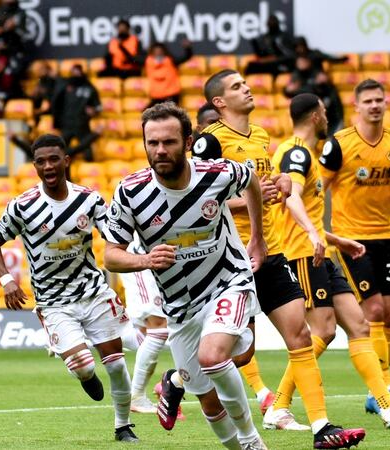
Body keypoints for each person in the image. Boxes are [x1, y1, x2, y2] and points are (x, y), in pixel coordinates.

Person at [193, 72, 366, 447]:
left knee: (301, 334)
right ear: (219, 102)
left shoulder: (260, 136)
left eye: (245, 83)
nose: (247, 88)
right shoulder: (209, 143)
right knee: (240, 353)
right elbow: (202, 202)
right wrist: (253, 198)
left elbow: (268, 187)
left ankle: (322, 428)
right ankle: (176, 380)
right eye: (237, 87)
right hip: (229, 260)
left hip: (269, 252)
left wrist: (281, 185)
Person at [102, 102, 268, 449]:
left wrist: (257, 238)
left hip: (228, 281)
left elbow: (251, 180)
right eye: (153, 143)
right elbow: (111, 256)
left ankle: (252, 442)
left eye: (169, 142)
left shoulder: (217, 174)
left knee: (213, 357)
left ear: (188, 141)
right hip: (179, 304)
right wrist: (146, 259)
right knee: (207, 397)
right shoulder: (131, 192)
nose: (160, 150)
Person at [273, 92, 390, 429]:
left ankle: (389, 405)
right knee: (321, 330)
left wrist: (334, 239)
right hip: (303, 253)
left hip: (321, 252)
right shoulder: (297, 153)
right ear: (316, 115)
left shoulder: (303, 153)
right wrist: (316, 236)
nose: (327, 115)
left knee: (359, 325)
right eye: (324, 111)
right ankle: (280, 405)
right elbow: (293, 200)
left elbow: (302, 209)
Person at [0, 134, 138, 443]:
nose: (48, 166)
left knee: (117, 364)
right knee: (83, 366)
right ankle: (86, 376)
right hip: (53, 302)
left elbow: (115, 236)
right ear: (35, 166)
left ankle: (123, 426)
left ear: (66, 161)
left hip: (94, 294)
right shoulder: (23, 206)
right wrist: (6, 279)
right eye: (40, 161)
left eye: (54, 159)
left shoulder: (89, 200)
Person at [319, 79, 390, 414]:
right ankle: (384, 388)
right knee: (373, 310)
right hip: (351, 239)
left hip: (386, 237)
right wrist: (322, 232)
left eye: (379, 100)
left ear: (385, 103)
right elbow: (318, 189)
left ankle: (383, 384)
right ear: (356, 106)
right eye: (368, 101)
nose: (375, 105)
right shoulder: (339, 144)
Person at [117, 234, 169, 414]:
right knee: (159, 328)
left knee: (146, 338)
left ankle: (81, 336)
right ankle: (137, 397)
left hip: (160, 261)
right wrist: (251, 203)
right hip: (142, 259)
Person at [283, 55, 344, 133]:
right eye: (299, 61)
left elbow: (328, 94)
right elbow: (290, 94)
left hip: (330, 114)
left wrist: (322, 84)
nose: (301, 63)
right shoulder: (296, 76)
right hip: (311, 116)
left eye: (304, 61)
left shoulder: (317, 73)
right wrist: (288, 90)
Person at [50, 64, 101, 156]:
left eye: (78, 71)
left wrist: (94, 111)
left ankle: (88, 169)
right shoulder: (65, 86)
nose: (76, 74)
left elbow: (98, 107)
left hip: (82, 125)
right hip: (66, 125)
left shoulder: (89, 88)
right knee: (60, 152)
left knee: (88, 153)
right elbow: (55, 102)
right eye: (74, 72)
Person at [142, 40, 193, 107]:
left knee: (170, 113)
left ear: (164, 52)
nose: (158, 53)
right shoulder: (147, 61)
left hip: (171, 95)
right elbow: (132, 59)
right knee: (147, 113)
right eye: (156, 51)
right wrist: (123, 47)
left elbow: (185, 57)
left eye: (160, 51)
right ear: (152, 52)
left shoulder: (171, 60)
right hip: (157, 97)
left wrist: (188, 48)